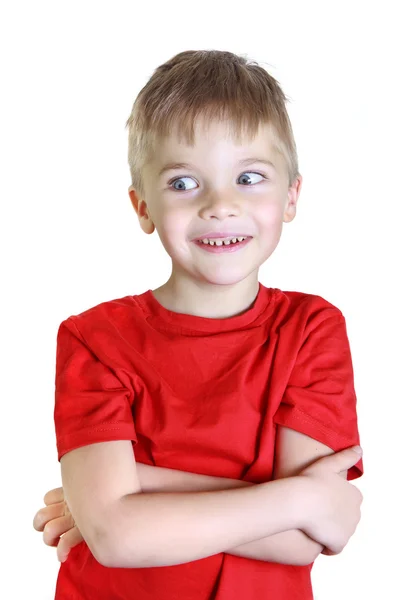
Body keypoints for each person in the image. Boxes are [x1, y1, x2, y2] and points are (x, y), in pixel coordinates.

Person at [32, 49, 364, 599]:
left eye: (250, 177)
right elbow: (116, 538)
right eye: (184, 183)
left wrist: (131, 486)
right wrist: (301, 496)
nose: (220, 205)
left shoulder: (312, 329)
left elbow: (300, 542)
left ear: (291, 197)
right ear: (143, 207)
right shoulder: (93, 338)